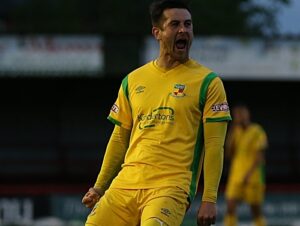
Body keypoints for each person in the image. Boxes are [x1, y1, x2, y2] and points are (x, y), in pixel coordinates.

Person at [82, 0, 231, 225]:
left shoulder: (208, 83)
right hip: (125, 185)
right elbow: (119, 138)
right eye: (175, 24)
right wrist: (99, 186)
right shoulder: (132, 81)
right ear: (157, 32)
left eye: (188, 24)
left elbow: (214, 145)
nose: (183, 30)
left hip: (171, 187)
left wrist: (210, 198)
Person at [224, 103, 268, 226]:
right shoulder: (235, 132)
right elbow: (228, 154)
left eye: (242, 113)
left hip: (252, 176)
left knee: (256, 211)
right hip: (236, 175)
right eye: (237, 114)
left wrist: (248, 174)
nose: (239, 116)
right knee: (230, 207)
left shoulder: (257, 131)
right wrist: (231, 131)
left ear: (247, 114)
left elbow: (260, 157)